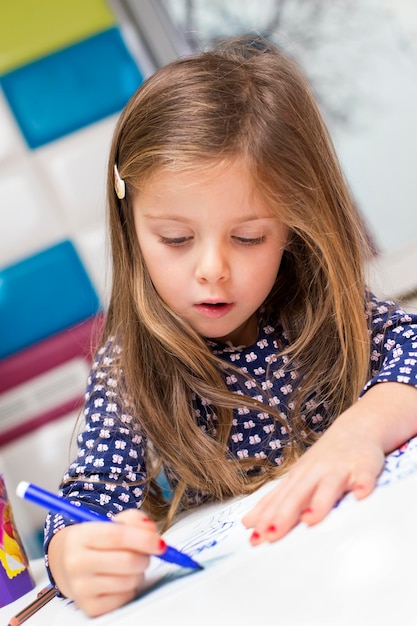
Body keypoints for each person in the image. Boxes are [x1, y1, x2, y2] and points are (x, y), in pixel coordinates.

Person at [44, 36, 417, 617]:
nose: (211, 270)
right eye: (175, 239)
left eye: (248, 238)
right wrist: (75, 556)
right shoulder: (133, 364)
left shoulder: (313, 307)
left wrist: (359, 431)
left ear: (294, 224)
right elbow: (88, 493)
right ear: (130, 222)